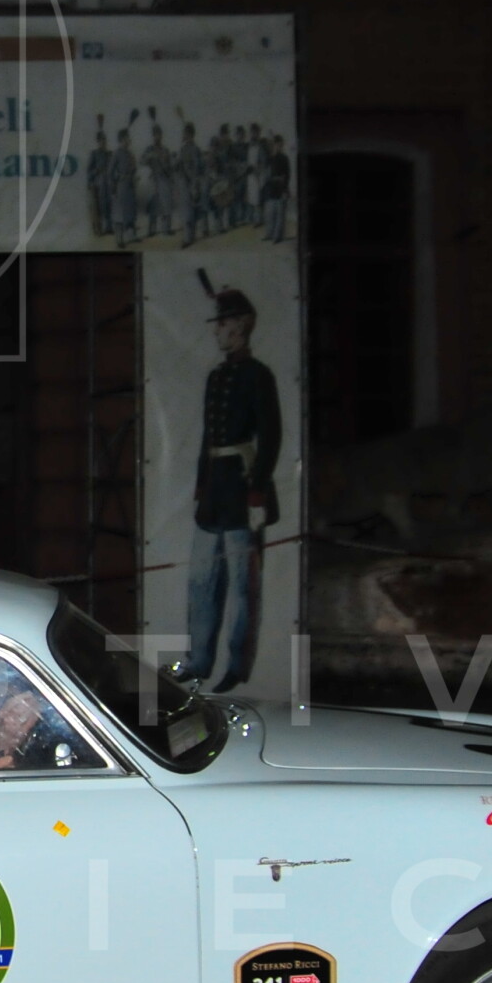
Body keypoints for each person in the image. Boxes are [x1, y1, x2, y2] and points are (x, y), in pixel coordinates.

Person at [179, 287, 281, 692]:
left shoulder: (258, 376)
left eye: (222, 323)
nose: (216, 331)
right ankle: (198, 660)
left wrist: (257, 492)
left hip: (242, 487)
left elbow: (270, 436)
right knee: (201, 580)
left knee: (242, 587)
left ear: (240, 325)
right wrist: (201, 485)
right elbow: (209, 437)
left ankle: (237, 665)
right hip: (215, 493)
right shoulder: (216, 377)